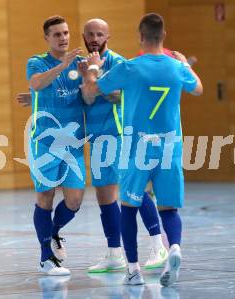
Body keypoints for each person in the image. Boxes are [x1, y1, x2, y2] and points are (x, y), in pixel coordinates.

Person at [18, 18, 168, 274]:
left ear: (108, 35)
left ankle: (158, 244)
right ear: (84, 37)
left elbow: (115, 95)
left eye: (100, 33)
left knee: (132, 189)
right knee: (102, 196)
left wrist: (96, 78)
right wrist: (38, 93)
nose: (94, 38)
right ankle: (112, 253)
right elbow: (81, 95)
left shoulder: (118, 63)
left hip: (119, 135)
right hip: (84, 140)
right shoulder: (72, 63)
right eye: (90, 34)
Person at [80, 13, 203, 286]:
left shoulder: (130, 68)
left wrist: (93, 67)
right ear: (164, 36)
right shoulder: (176, 67)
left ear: (140, 36)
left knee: (129, 207)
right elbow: (198, 89)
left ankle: (134, 271)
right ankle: (174, 247)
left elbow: (91, 90)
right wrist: (185, 65)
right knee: (169, 208)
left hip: (138, 147)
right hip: (170, 146)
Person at [26, 15, 85, 276]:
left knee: (74, 199)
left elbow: (88, 93)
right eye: (57, 34)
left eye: (66, 32)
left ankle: (53, 233)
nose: (63, 38)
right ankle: (46, 257)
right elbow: (37, 83)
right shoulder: (36, 62)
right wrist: (63, 65)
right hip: (45, 143)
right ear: (47, 38)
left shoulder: (79, 65)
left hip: (72, 143)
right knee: (46, 197)